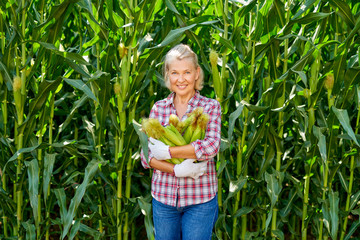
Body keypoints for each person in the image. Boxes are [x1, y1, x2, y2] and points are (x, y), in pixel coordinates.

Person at [140, 43, 221, 240]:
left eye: (187, 72)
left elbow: (211, 147)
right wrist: (175, 170)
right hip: (164, 199)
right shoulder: (159, 109)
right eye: (175, 73)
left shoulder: (210, 107)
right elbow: (146, 157)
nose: (181, 79)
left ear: (197, 73)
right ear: (168, 75)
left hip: (200, 200)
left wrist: (168, 152)